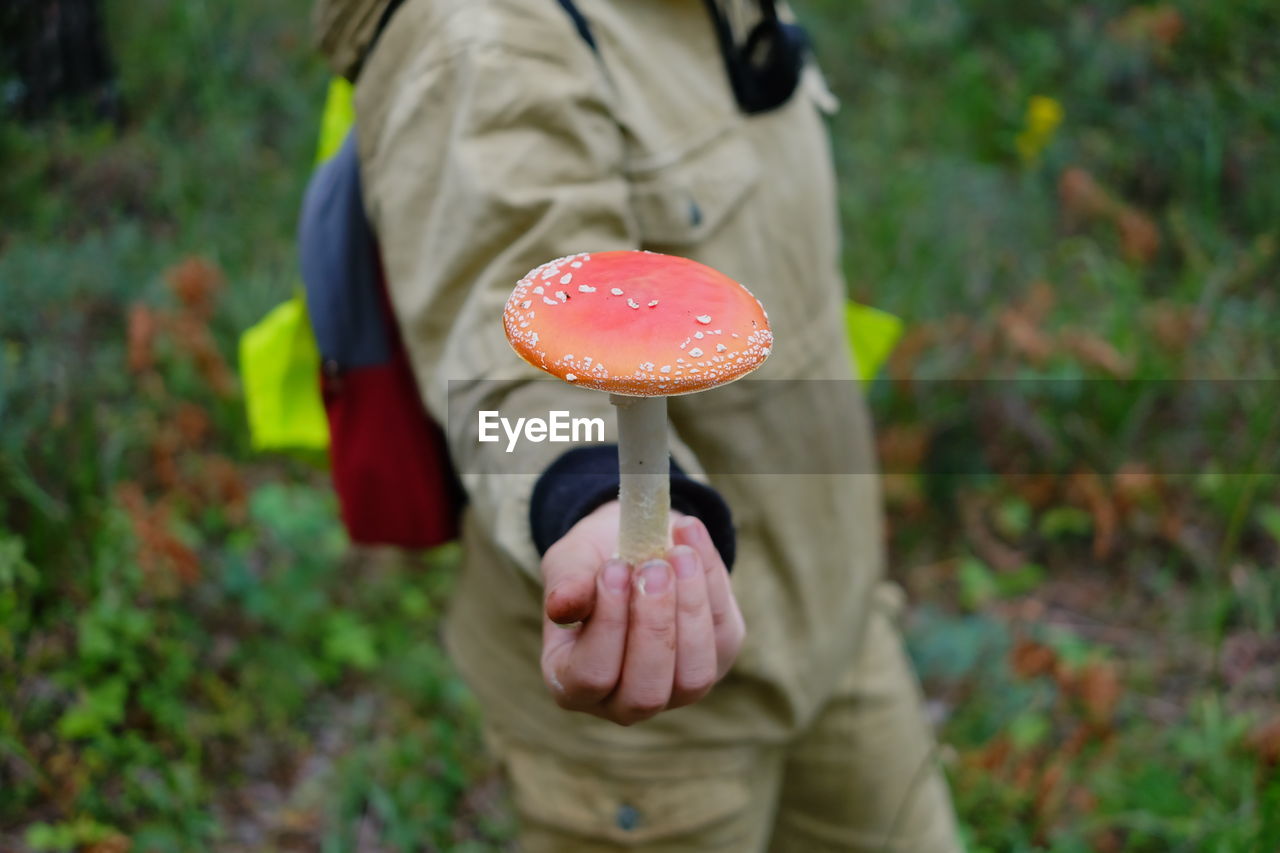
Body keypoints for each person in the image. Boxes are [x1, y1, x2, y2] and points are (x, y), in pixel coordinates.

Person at [313, 0, 963, 848]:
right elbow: (511, 341)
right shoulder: (480, 34)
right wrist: (592, 499)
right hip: (655, 705)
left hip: (833, 623)